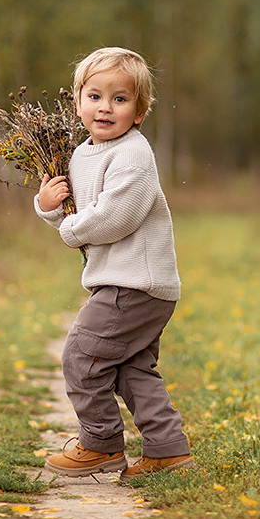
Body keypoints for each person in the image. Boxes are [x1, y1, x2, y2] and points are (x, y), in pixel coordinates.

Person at [34, 47, 193, 483]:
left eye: (120, 99)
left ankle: (101, 443)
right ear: (77, 103)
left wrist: (69, 230)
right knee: (130, 367)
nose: (105, 107)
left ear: (139, 113)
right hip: (130, 282)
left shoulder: (133, 154)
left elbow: (114, 217)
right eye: (95, 96)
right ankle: (167, 450)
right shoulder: (82, 154)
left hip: (134, 284)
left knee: (82, 356)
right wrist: (48, 206)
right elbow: (76, 213)